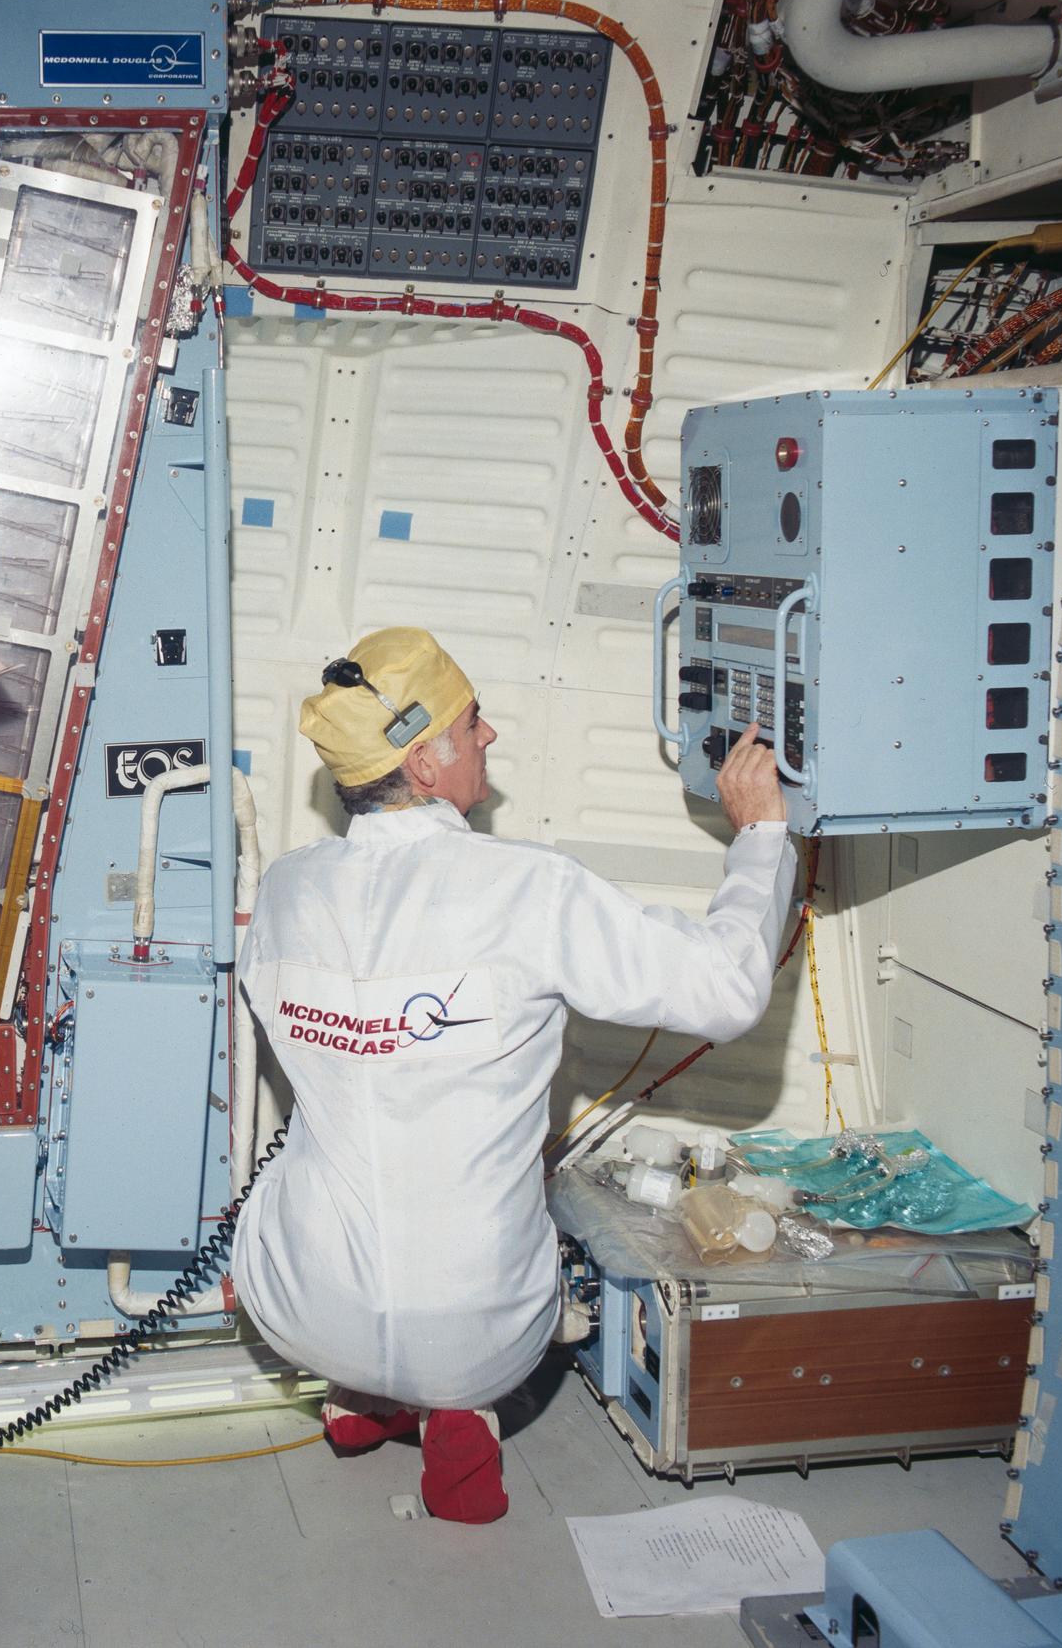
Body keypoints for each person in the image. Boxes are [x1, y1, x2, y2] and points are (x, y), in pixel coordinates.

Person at [230, 626, 795, 1525]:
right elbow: (727, 992)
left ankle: (357, 1400)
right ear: (423, 763)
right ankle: (456, 1422)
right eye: (474, 719)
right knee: (501, 1224)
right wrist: (761, 839)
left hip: (298, 1314)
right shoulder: (528, 889)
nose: (489, 736)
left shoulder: (289, 890)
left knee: (314, 1157)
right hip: (480, 1338)